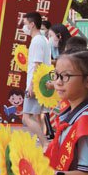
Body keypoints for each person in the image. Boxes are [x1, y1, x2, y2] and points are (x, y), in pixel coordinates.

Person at [21, 12, 52, 149]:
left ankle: (45, 143)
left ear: (32, 24)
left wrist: (32, 86)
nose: (24, 27)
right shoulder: (43, 40)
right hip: (41, 83)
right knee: (37, 116)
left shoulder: (37, 41)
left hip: (36, 84)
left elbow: (37, 64)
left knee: (26, 117)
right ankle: (43, 144)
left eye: (25, 23)